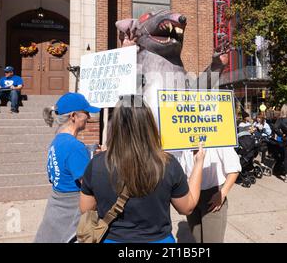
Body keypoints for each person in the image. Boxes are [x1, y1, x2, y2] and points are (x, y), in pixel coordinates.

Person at [79, 95, 205, 243]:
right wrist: (198, 163)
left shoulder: (96, 164)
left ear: (115, 125)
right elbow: (187, 207)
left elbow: (85, 209)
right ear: (149, 124)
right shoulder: (168, 163)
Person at [34, 93, 101, 243]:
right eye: (86, 113)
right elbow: (90, 186)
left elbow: (54, 177)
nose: (89, 117)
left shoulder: (56, 141)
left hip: (56, 210)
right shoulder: (74, 146)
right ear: (73, 116)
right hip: (71, 212)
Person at [176, 147, 240, 243]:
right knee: (197, 239)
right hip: (190, 195)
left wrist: (222, 193)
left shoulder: (216, 138)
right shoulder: (185, 143)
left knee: (212, 240)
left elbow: (234, 169)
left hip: (213, 196)